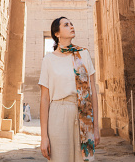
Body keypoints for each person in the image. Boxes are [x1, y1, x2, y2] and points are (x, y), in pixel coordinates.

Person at [39, 16, 100, 161]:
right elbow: (45, 98)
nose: (71, 26)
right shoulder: (48, 60)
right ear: (57, 33)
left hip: (82, 115)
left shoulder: (84, 54)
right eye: (66, 25)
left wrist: (96, 127)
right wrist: (43, 137)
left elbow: (93, 93)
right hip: (58, 114)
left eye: (71, 24)